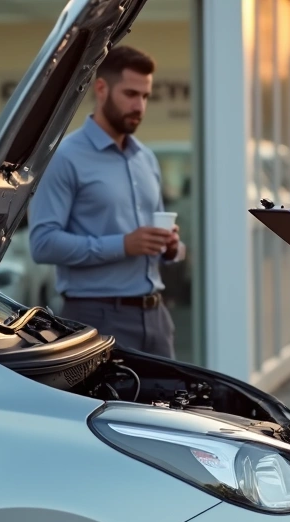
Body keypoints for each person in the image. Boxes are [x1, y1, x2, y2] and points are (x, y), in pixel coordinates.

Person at [28, 45, 185, 359]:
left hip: (157, 318)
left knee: (167, 409)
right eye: (130, 94)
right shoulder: (65, 158)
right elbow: (42, 244)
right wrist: (123, 244)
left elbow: (159, 244)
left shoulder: (146, 158)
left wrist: (171, 248)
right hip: (97, 320)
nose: (139, 105)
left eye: (145, 96)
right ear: (101, 88)